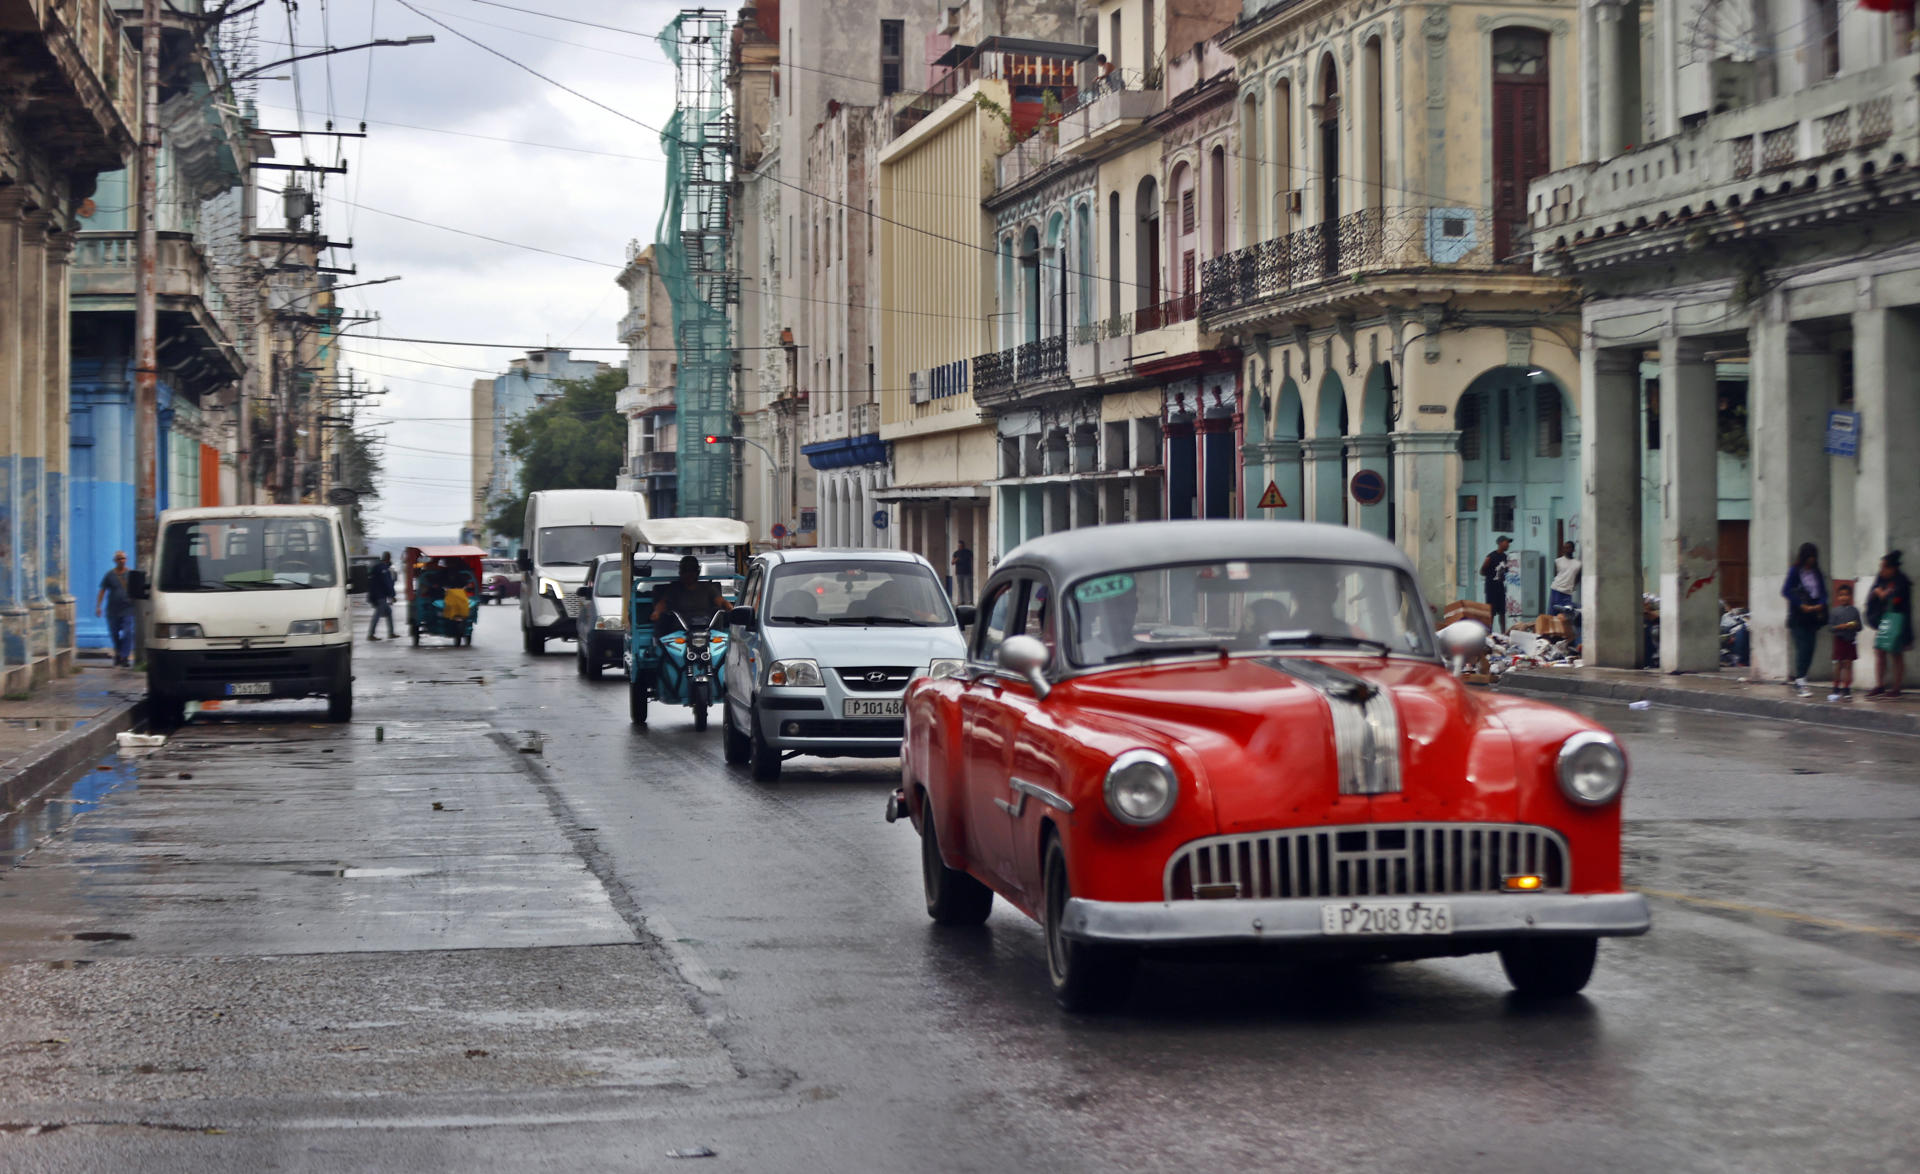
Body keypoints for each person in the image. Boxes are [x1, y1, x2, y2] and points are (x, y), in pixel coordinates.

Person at [1779, 541, 1827, 698]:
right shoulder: (1795, 571)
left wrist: (1821, 604)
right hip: (1799, 616)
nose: (1812, 561)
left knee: (1811, 648)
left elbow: (1823, 592)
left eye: (1814, 557)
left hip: (1813, 616)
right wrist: (1800, 604)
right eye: (1809, 557)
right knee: (1803, 647)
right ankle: (1800, 680)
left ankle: (1802, 676)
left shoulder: (1816, 573)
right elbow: (1786, 591)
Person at [1865, 550, 1912, 700]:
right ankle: (1880, 684)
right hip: (1883, 620)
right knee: (1879, 650)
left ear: (1892, 568)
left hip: (1898, 621)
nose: (1882, 571)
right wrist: (1877, 592)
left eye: (1884, 567)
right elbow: (1873, 593)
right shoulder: (1881, 579)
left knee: (1896, 652)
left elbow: (1895, 598)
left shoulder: (1901, 580)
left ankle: (1897, 687)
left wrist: (1884, 594)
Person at [651, 555, 727, 633]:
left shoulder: (708, 587)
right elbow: (663, 603)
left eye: (691, 570)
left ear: (697, 572)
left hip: (707, 627)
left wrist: (731, 610)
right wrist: (657, 612)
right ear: (680, 572)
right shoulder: (674, 588)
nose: (688, 574)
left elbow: (721, 602)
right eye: (685, 571)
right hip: (680, 629)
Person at [94, 550, 135, 667]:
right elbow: (102, 590)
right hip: (113, 610)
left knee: (128, 632)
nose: (122, 560)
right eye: (119, 558)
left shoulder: (131, 574)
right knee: (114, 633)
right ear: (115, 561)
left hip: (128, 608)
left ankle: (124, 656)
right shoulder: (109, 575)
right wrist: (98, 606)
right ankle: (118, 653)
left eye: (123, 558)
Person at [1827, 582, 1861, 702]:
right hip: (1839, 640)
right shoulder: (1834, 611)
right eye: (1841, 595)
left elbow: (1859, 627)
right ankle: (1836, 686)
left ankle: (1846, 688)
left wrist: (1854, 625)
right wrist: (1839, 627)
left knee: (1848, 664)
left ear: (1850, 596)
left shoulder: (1855, 611)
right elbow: (1830, 627)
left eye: (1846, 595)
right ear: (1837, 597)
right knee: (1838, 664)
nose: (1844, 597)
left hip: (1850, 640)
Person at [1480, 536, 1512, 633]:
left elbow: (1507, 570)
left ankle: (1503, 633)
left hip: (1500, 588)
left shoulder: (1505, 557)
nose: (1508, 545)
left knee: (1502, 612)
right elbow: (1482, 571)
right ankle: (1489, 632)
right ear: (1500, 543)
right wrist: (1491, 576)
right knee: (1491, 612)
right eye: (1506, 542)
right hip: (1491, 589)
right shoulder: (1491, 556)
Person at [367, 552, 397, 641]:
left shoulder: (378, 567)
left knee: (388, 612)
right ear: (388, 558)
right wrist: (392, 595)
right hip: (380, 596)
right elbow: (387, 583)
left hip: (376, 594)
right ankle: (371, 634)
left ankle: (391, 633)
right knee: (377, 615)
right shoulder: (383, 568)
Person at [951, 540, 974, 606]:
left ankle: (970, 601)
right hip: (959, 573)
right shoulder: (956, 553)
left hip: (967, 572)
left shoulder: (968, 552)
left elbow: (972, 560)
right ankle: (962, 601)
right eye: (958, 546)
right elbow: (952, 562)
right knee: (960, 587)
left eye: (960, 545)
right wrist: (956, 559)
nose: (959, 547)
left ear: (963, 545)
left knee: (968, 587)